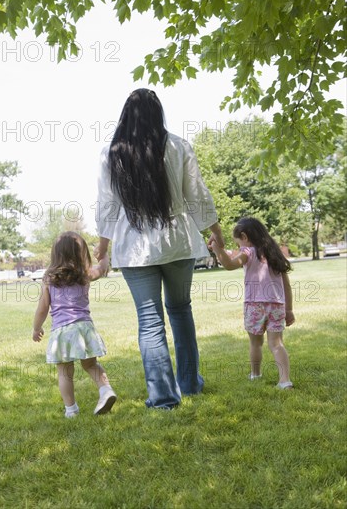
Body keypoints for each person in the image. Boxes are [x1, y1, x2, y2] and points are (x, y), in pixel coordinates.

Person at [95, 88, 224, 409]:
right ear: (158, 114)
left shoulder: (111, 153)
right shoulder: (179, 146)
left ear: (126, 115)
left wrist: (102, 249)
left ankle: (164, 397)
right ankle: (190, 384)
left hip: (134, 248)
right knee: (181, 311)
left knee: (149, 321)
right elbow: (197, 196)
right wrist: (217, 234)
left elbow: (106, 206)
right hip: (177, 243)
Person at [32, 231, 117, 417]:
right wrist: (104, 254)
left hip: (62, 331)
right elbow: (102, 268)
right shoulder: (85, 273)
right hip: (85, 327)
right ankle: (105, 390)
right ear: (82, 253)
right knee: (90, 365)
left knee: (64, 372)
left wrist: (36, 328)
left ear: (56, 254)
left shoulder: (49, 278)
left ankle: (71, 410)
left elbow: (42, 307)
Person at [209, 217, 295, 389]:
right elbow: (286, 285)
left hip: (255, 305)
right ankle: (285, 380)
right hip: (277, 305)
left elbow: (229, 264)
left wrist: (217, 249)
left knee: (256, 343)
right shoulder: (274, 253)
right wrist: (289, 310)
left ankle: (255, 374)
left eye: (239, 242)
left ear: (245, 237)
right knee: (276, 344)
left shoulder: (248, 252)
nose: (240, 246)